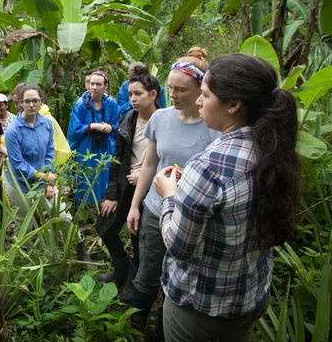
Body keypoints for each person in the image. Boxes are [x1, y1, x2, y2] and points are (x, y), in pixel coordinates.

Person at [154, 54, 300, 342]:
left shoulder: (207, 167)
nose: (198, 101)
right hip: (250, 295)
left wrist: (170, 196)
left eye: (205, 95)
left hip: (203, 309)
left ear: (233, 105)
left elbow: (179, 247)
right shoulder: (272, 148)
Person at [125, 47, 220, 336]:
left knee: (183, 276)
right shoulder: (161, 118)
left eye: (181, 90)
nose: (174, 95)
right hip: (155, 209)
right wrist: (135, 205)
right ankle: (135, 324)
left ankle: (167, 325)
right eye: (170, 88)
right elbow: (150, 163)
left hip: (193, 215)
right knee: (148, 271)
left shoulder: (214, 126)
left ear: (200, 90)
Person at [95, 71, 161, 300]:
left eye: (138, 94)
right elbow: (118, 157)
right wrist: (112, 191)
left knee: (139, 236)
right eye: (130, 93)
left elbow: (168, 159)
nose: (133, 98)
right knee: (106, 226)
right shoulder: (128, 118)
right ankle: (121, 270)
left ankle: (134, 281)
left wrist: (145, 175)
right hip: (125, 184)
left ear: (153, 94)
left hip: (153, 189)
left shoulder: (164, 121)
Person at [4, 85, 64, 223]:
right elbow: (18, 163)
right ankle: (26, 245)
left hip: (44, 179)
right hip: (20, 182)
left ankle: (78, 241)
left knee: (62, 216)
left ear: (41, 102)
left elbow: (49, 153)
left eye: (35, 101)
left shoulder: (47, 123)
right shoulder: (13, 130)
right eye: (27, 101)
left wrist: (49, 182)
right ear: (21, 103)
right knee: (25, 221)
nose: (31, 105)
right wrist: (44, 177)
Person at [67, 70, 119, 206]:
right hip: (86, 149)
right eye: (92, 83)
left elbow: (118, 124)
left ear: (105, 86)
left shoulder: (111, 104)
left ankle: (103, 209)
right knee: (86, 178)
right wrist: (91, 126)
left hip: (105, 149)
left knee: (104, 176)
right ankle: (84, 213)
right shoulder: (80, 105)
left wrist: (111, 127)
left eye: (98, 84)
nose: (94, 87)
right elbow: (73, 131)